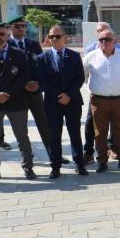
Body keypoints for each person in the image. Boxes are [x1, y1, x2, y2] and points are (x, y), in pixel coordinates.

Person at [0, 22, 36, 182]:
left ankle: (28, 168)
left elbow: (23, 76)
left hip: (15, 101)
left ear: (8, 36)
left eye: (2, 34)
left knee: (22, 136)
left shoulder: (19, 54)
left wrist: (8, 93)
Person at [36, 25, 88, 178]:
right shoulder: (42, 58)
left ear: (65, 37)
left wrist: (69, 95)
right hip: (52, 103)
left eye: (58, 36)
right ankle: (55, 166)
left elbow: (80, 77)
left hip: (72, 101)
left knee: (75, 133)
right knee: (54, 135)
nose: (55, 39)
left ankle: (79, 164)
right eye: (51, 37)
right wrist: (59, 95)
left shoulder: (74, 55)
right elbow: (42, 81)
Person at [83, 28, 120, 173]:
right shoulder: (91, 56)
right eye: (101, 40)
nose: (104, 42)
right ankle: (102, 161)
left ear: (115, 41)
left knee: (119, 131)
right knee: (100, 133)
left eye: (107, 39)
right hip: (98, 101)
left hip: (119, 100)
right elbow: (84, 75)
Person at [7, 15, 54, 160]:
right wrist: (23, 85)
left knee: (44, 123)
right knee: (22, 128)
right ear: (10, 28)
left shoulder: (33, 44)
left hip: (35, 92)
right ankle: (27, 157)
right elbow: (6, 71)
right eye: (18, 26)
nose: (22, 29)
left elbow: (41, 66)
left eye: (24, 26)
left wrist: (38, 83)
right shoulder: (6, 45)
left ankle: (53, 153)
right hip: (18, 94)